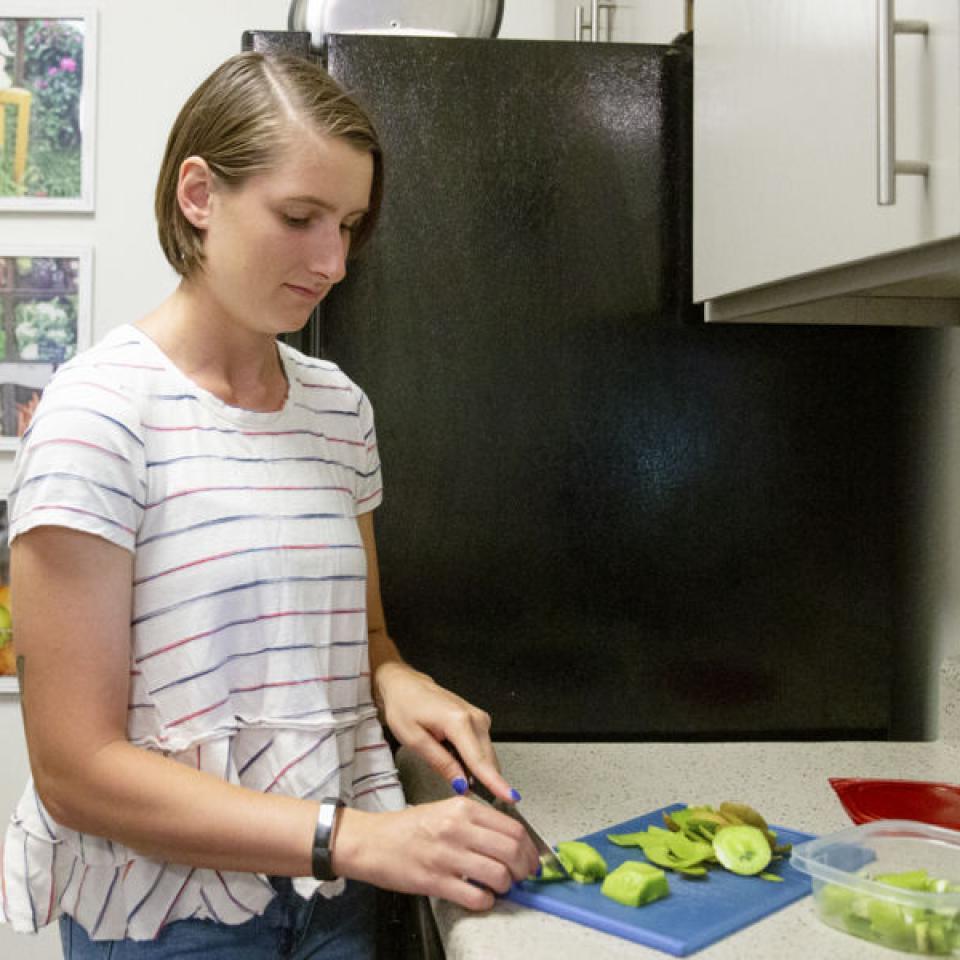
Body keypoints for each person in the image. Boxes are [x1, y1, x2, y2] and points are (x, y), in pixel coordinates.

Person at [0, 51, 538, 959]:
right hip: (168, 915)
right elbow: (73, 771)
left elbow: (360, 640)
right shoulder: (97, 415)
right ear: (199, 195)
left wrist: (401, 683)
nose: (332, 260)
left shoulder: (338, 408)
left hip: (336, 898)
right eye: (299, 218)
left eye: (350, 224)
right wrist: (357, 834)